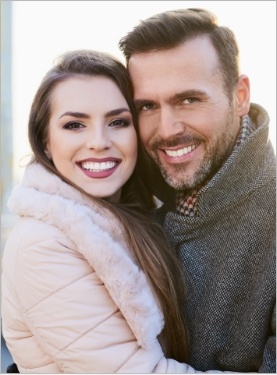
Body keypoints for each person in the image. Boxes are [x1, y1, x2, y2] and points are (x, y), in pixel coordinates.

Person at [1, 49, 226, 374]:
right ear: (46, 141)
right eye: (75, 124)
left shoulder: (131, 219)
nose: (98, 141)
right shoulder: (42, 243)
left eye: (118, 122)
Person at [119, 7, 276, 373]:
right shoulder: (120, 207)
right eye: (147, 106)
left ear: (240, 97)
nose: (168, 128)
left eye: (188, 99)